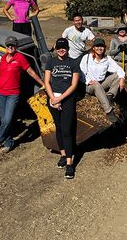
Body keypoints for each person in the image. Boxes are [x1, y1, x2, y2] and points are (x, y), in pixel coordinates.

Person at [0, 36, 44, 153]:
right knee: (4, 120)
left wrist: (43, 83)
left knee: (7, 119)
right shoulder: (3, 58)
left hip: (12, 94)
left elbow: (31, 72)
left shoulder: (20, 58)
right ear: (6, 47)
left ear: (16, 47)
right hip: (0, 93)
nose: (10, 47)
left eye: (12, 45)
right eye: (8, 45)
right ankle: (9, 142)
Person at [44, 37, 80, 179]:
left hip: (67, 100)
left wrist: (60, 99)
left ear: (67, 48)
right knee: (58, 128)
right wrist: (53, 98)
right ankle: (63, 155)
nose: (61, 50)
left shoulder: (73, 63)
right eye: (59, 47)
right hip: (53, 98)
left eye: (63, 47)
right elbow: (47, 81)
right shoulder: (50, 62)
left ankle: (70, 164)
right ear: (56, 49)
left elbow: (74, 85)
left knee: (66, 130)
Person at [80, 38, 125, 123]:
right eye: (97, 46)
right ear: (93, 48)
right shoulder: (87, 58)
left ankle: (110, 95)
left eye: (102, 46)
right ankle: (109, 111)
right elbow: (81, 73)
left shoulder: (107, 59)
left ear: (104, 48)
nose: (99, 48)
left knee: (117, 76)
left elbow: (119, 69)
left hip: (101, 83)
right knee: (96, 85)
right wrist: (88, 81)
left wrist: (122, 79)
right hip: (89, 85)